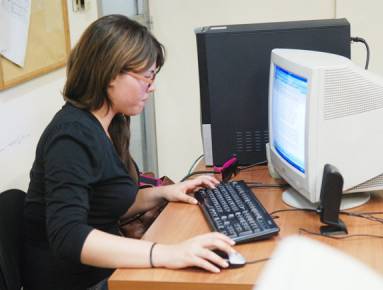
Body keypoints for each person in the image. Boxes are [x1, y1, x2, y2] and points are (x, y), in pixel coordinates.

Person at [22, 15, 236, 290]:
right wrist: (167, 254)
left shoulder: (111, 123)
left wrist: (162, 193)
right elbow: (68, 236)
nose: (152, 86)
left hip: (106, 271)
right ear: (110, 74)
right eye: (147, 77)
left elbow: (103, 202)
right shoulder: (70, 137)